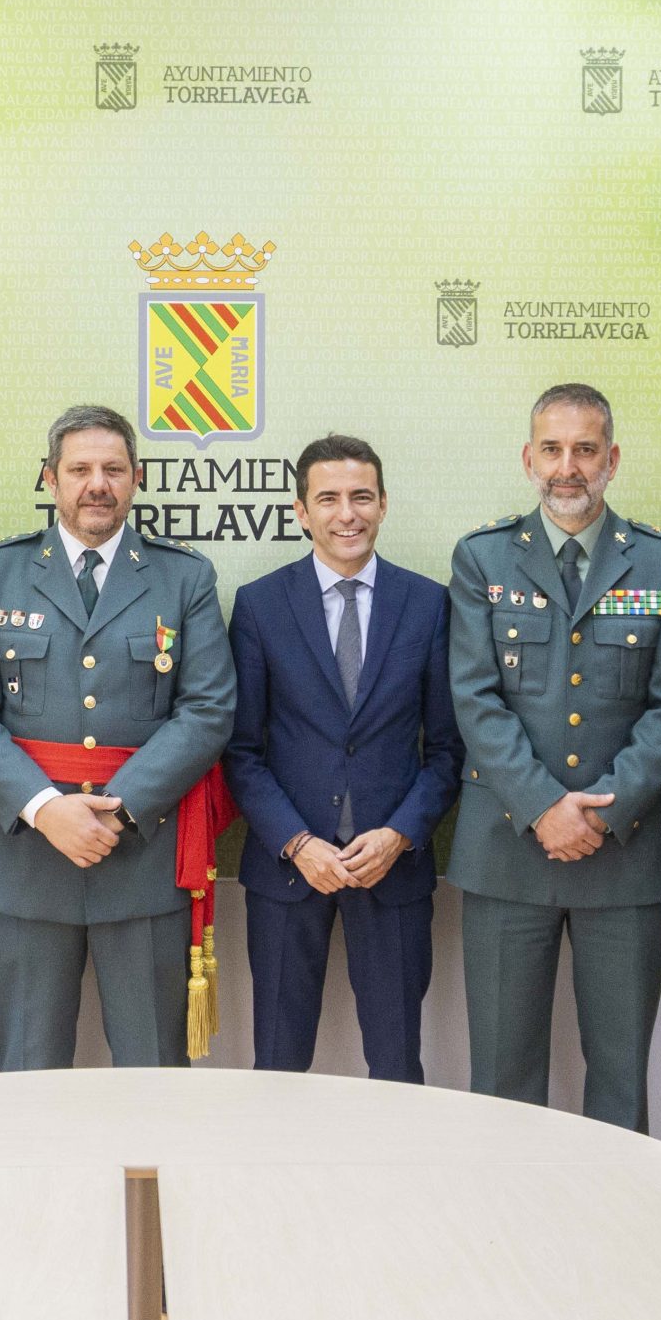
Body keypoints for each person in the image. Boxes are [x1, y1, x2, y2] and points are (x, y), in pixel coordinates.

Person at [0, 405, 236, 1069]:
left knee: (153, 1069)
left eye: (113, 469)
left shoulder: (184, 577)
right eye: (79, 470)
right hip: (25, 862)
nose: (97, 484)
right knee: (28, 1071)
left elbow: (208, 710)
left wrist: (119, 810)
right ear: (50, 478)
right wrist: (48, 810)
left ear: (137, 478)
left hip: (142, 859)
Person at [446, 383, 661, 1130]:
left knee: (621, 1081)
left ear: (612, 460)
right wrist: (542, 808)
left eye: (585, 450)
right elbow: (474, 697)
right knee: (503, 1078)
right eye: (553, 450)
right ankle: (508, 1207)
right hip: (506, 853)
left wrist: (597, 813)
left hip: (619, 853)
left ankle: (612, 1211)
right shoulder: (482, 557)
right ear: (528, 459)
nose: (568, 468)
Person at [223, 434, 463, 1082]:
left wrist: (399, 835)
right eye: (327, 499)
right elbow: (241, 752)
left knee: (397, 1064)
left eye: (361, 496)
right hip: (287, 871)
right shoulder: (259, 605)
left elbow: (447, 750)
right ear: (301, 512)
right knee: (278, 1062)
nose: (346, 513)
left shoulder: (428, 603)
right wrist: (298, 842)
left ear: (383, 504)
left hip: (392, 870)